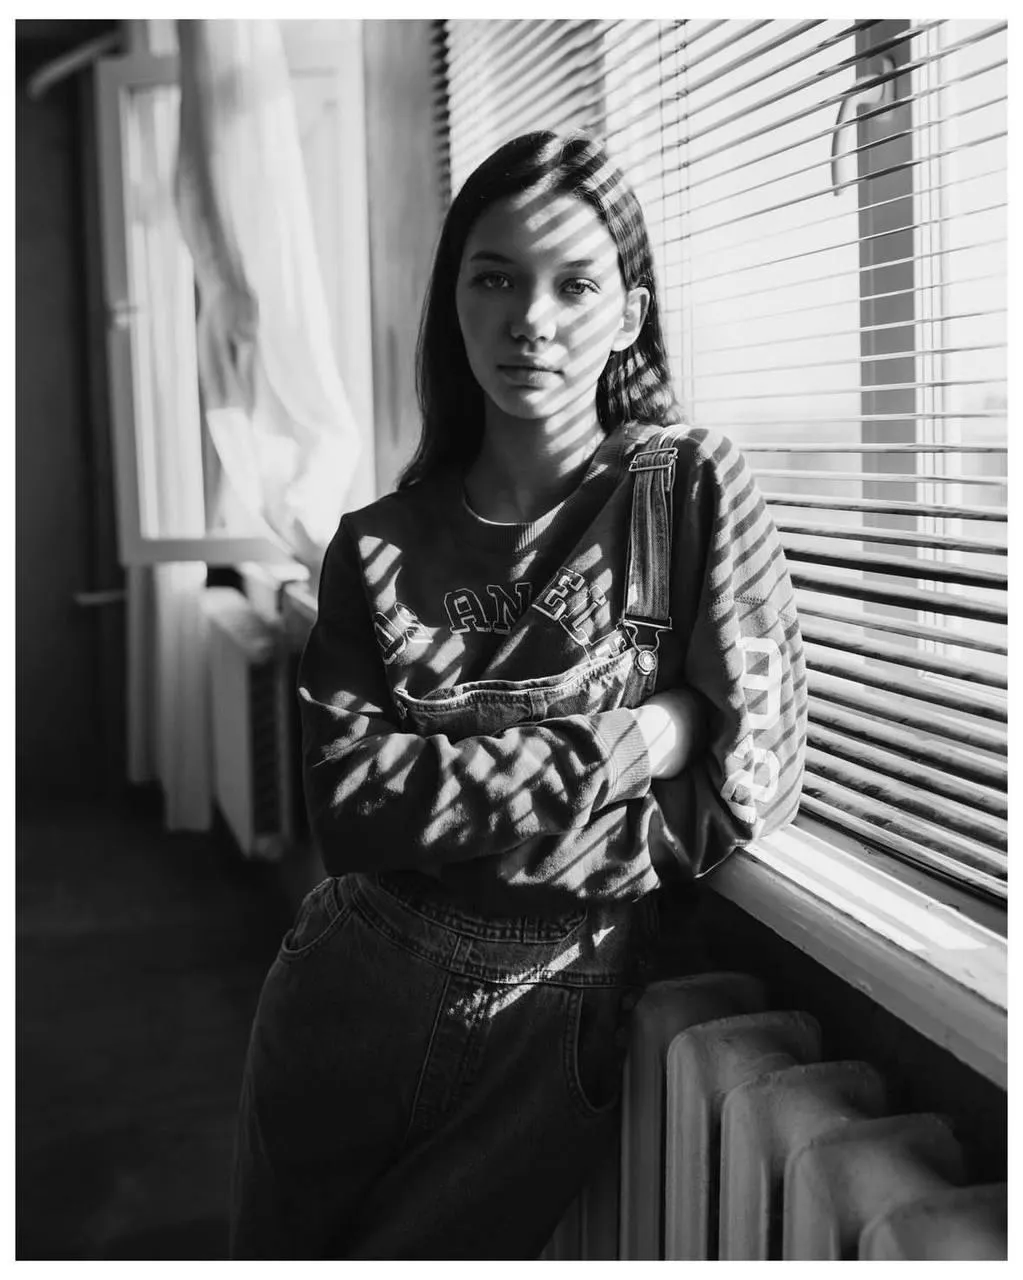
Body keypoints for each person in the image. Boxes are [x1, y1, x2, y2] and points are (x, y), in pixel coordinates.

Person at [229, 130, 807, 1260]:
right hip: (350, 990)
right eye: (493, 276)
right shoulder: (375, 546)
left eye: (574, 284)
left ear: (629, 312)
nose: (529, 319)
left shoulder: (687, 489)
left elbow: (754, 773)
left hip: (556, 1016)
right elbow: (355, 809)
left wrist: (465, 808)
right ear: (453, 300)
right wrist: (637, 736)